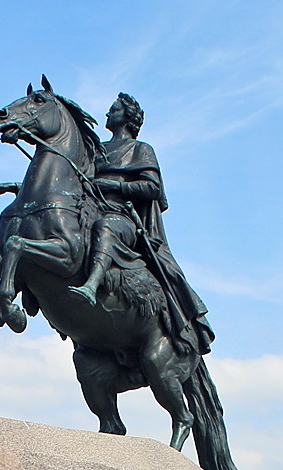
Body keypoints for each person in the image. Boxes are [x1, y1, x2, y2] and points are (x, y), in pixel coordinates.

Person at [66, 92, 213, 355]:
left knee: (105, 227)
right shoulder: (97, 149)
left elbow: (152, 187)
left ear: (128, 117)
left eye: (114, 109)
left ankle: (92, 285)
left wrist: (114, 184)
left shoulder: (140, 149)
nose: (108, 114)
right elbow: (74, 183)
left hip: (122, 219)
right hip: (90, 211)